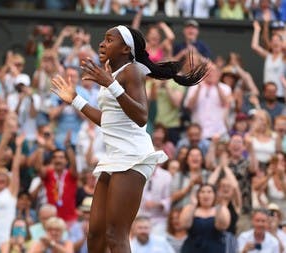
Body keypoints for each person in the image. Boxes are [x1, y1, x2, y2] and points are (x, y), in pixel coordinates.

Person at [51, 25, 207, 253]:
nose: (102, 44)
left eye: (109, 40)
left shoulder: (132, 71)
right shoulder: (113, 75)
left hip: (133, 156)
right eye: (103, 39)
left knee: (116, 234)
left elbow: (142, 116)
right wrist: (75, 99)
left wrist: (110, 84)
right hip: (114, 156)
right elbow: (109, 120)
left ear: (125, 48)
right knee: (95, 234)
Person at [179, 184, 231, 253]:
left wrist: (219, 207)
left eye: (209, 192)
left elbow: (222, 226)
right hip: (192, 248)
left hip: (215, 248)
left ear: (214, 195)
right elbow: (184, 225)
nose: (206, 195)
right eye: (202, 192)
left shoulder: (222, 209)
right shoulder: (189, 208)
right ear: (198, 195)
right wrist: (193, 205)